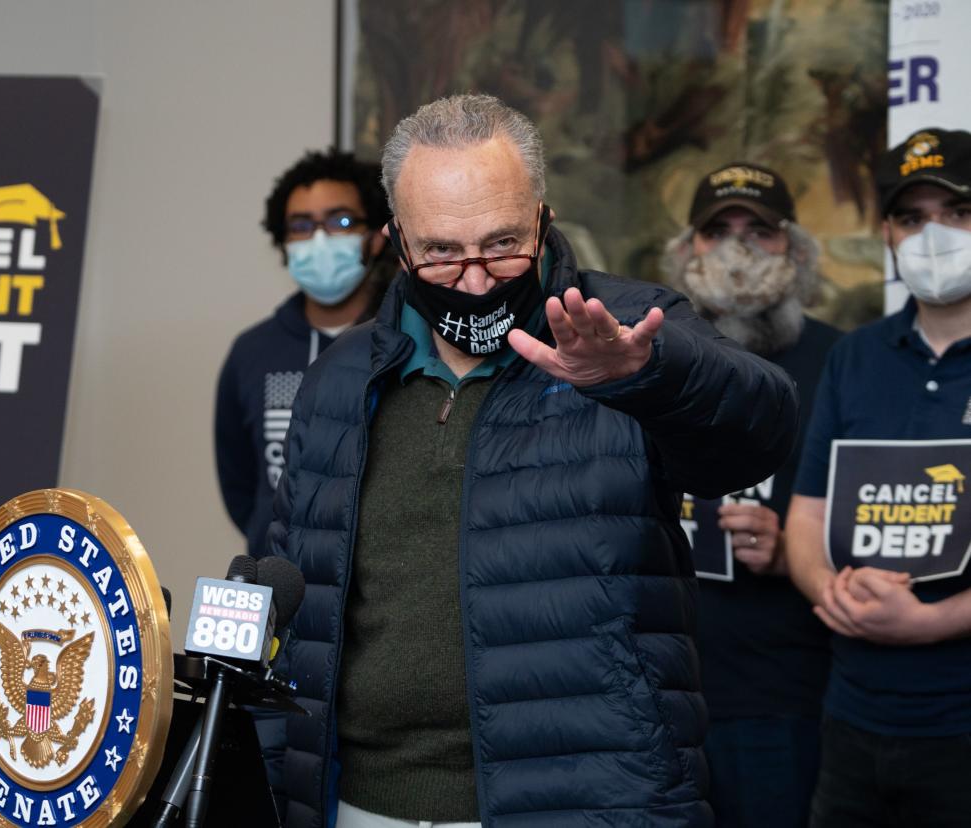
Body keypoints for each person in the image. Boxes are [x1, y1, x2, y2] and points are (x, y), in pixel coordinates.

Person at [262, 94, 798, 828]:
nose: (477, 280)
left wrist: (649, 376)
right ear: (396, 241)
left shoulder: (629, 331)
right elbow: (293, 601)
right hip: (358, 804)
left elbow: (760, 429)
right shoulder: (342, 377)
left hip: (583, 800)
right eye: (442, 251)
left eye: (503, 242)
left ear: (543, 218)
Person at [787, 127, 971, 827]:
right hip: (851, 721)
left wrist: (928, 624)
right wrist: (829, 589)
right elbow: (807, 515)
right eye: (912, 217)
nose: (935, 235)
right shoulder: (855, 357)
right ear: (888, 234)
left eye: (958, 214)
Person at [660, 163, 840, 826]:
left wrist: (794, 550)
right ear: (688, 251)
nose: (738, 245)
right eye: (718, 230)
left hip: (782, 694)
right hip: (658, 691)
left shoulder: (838, 362)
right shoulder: (650, 359)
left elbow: (883, 520)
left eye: (759, 230)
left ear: (794, 249)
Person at [215, 149, 392, 559]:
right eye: (300, 225)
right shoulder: (253, 352)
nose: (319, 238)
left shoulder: (405, 340)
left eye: (341, 221)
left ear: (378, 237)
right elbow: (241, 487)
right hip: (278, 588)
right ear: (283, 243)